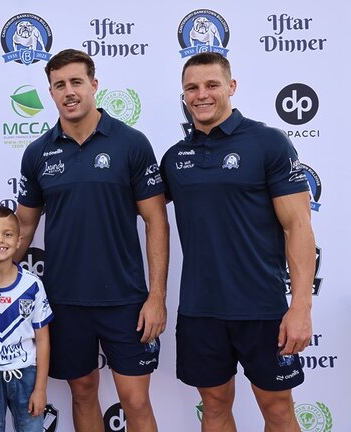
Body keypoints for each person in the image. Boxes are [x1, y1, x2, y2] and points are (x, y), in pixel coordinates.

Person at [15, 48, 169, 432]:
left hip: (126, 299)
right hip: (65, 300)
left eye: (76, 82)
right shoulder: (37, 154)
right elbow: (24, 228)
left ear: (94, 85)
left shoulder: (131, 143)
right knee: (82, 393)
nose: (69, 91)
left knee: (135, 401)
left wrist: (157, 297)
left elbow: (156, 221)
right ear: (50, 92)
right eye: (59, 85)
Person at [160, 52, 315, 432]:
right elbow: (136, 211)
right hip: (200, 310)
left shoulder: (268, 143)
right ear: (183, 94)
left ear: (231, 87)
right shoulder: (174, 157)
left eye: (212, 85)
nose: (201, 95)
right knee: (213, 408)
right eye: (191, 88)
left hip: (262, 309)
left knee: (278, 411)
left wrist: (301, 308)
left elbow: (299, 227)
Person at [0, 205, 53, 432]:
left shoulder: (32, 285)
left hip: (26, 376)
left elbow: (42, 340)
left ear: (19, 240)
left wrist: (40, 388)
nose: (0, 240)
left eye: (7, 234)